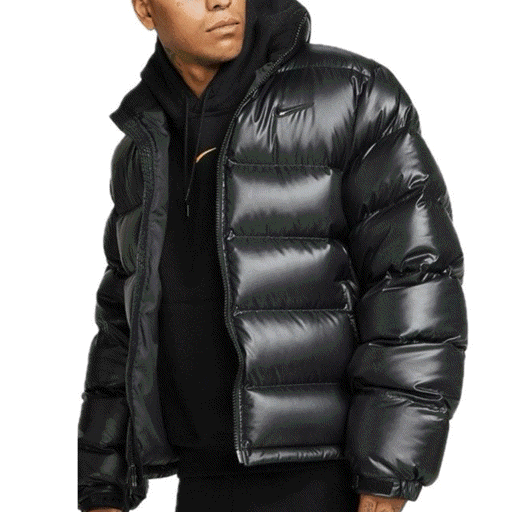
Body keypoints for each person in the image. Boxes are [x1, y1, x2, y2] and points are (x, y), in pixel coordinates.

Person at [77, 0, 468, 511]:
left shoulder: (349, 96)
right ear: (145, 9)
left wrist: (388, 467)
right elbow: (122, 322)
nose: (220, 0)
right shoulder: (142, 148)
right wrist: (102, 484)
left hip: (324, 479)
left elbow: (416, 277)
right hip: (201, 479)